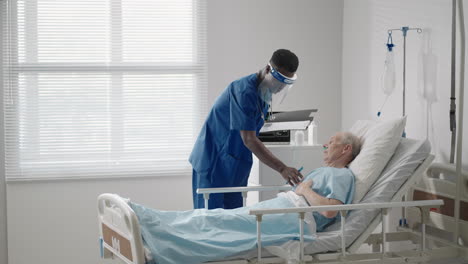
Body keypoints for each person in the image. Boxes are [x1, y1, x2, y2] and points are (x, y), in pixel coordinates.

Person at [130, 132, 362, 264]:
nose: (325, 145)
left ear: (345, 150)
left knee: (219, 226)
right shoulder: (324, 171)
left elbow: (331, 211)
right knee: (214, 219)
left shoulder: (342, 175)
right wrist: (302, 189)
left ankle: (156, 242)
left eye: (331, 142)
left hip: (293, 218)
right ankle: (147, 224)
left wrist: (305, 190)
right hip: (285, 208)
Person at [189, 49, 303, 209]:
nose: (281, 87)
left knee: (234, 221)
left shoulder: (264, 92)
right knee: (210, 222)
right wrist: (282, 168)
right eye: (280, 81)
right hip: (214, 162)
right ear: (268, 69)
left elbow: (253, 125)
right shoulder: (243, 91)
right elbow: (249, 139)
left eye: (286, 83)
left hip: (235, 164)